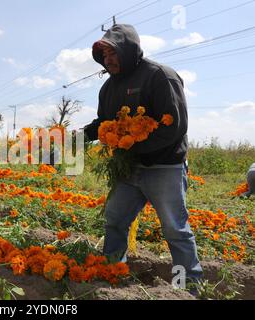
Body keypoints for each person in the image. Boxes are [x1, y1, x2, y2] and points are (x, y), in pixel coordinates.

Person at [82, 24, 203, 287]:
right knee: (115, 220)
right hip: (129, 169)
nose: (108, 60)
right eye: (104, 56)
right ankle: (113, 273)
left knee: (174, 230)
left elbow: (174, 127)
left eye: (113, 53)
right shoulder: (108, 88)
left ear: (128, 50)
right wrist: (79, 136)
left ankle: (188, 286)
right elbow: (105, 122)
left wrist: (131, 147)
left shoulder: (160, 76)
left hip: (164, 167)